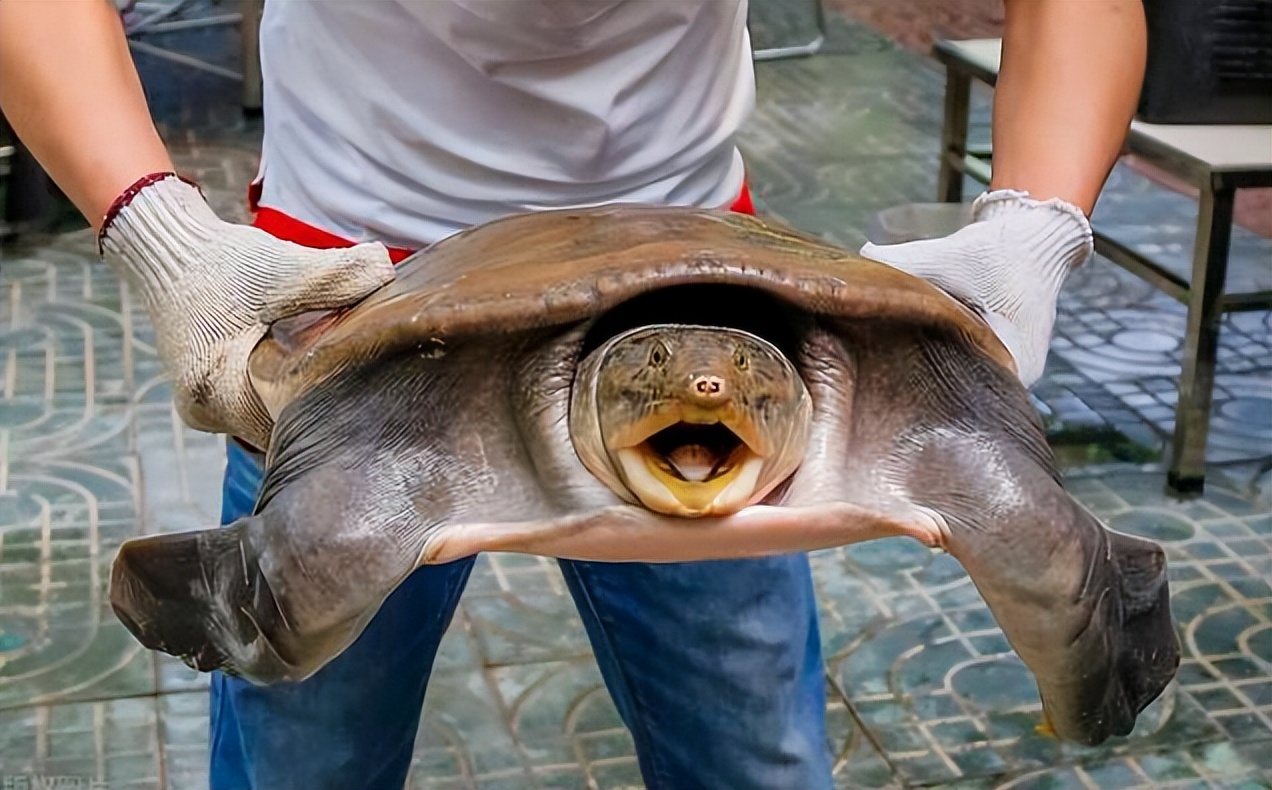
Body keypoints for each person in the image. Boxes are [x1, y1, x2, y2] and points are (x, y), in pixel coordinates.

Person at [0, 1, 1147, 788]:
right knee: (305, 738)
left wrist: (1034, 232)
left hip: (706, 292)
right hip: (359, 299)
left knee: (759, 765)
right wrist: (154, 226)